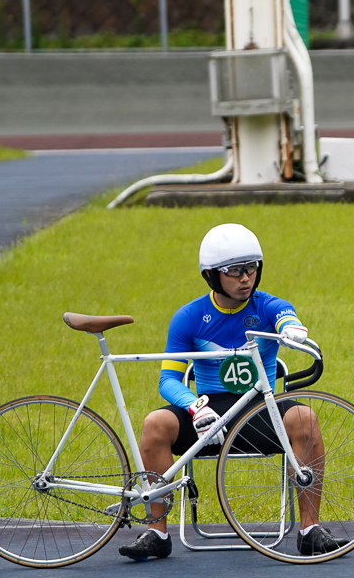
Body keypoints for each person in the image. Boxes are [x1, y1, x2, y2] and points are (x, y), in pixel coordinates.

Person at [120, 223, 338, 560]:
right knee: (155, 424)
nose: (245, 278)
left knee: (304, 417)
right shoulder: (188, 317)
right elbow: (169, 381)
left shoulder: (267, 306)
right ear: (211, 276)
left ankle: (310, 530)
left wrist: (291, 328)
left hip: (258, 409)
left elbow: (285, 316)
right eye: (234, 271)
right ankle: (156, 532)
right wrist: (194, 407)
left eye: (251, 269)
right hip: (207, 411)